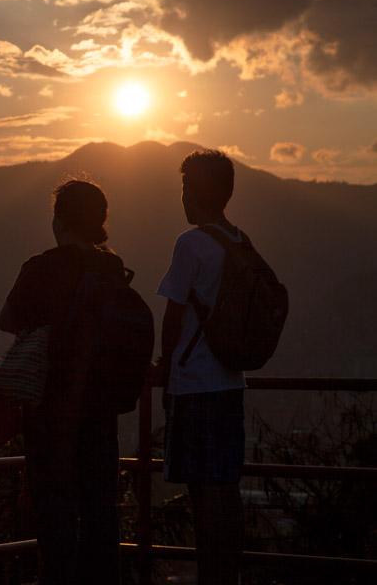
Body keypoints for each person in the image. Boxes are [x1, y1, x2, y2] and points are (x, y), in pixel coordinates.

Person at [0, 179, 122, 584]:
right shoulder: (112, 267)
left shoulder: (42, 268)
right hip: (101, 406)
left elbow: (8, 320)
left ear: (59, 220)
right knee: (100, 510)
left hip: (51, 409)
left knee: (55, 514)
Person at [157, 149, 245, 585]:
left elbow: (173, 317)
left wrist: (163, 371)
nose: (183, 197)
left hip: (194, 385)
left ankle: (212, 575)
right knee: (225, 490)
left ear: (195, 192)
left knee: (202, 495)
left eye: (186, 187)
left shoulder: (190, 244)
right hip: (231, 382)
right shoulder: (239, 240)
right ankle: (228, 574)